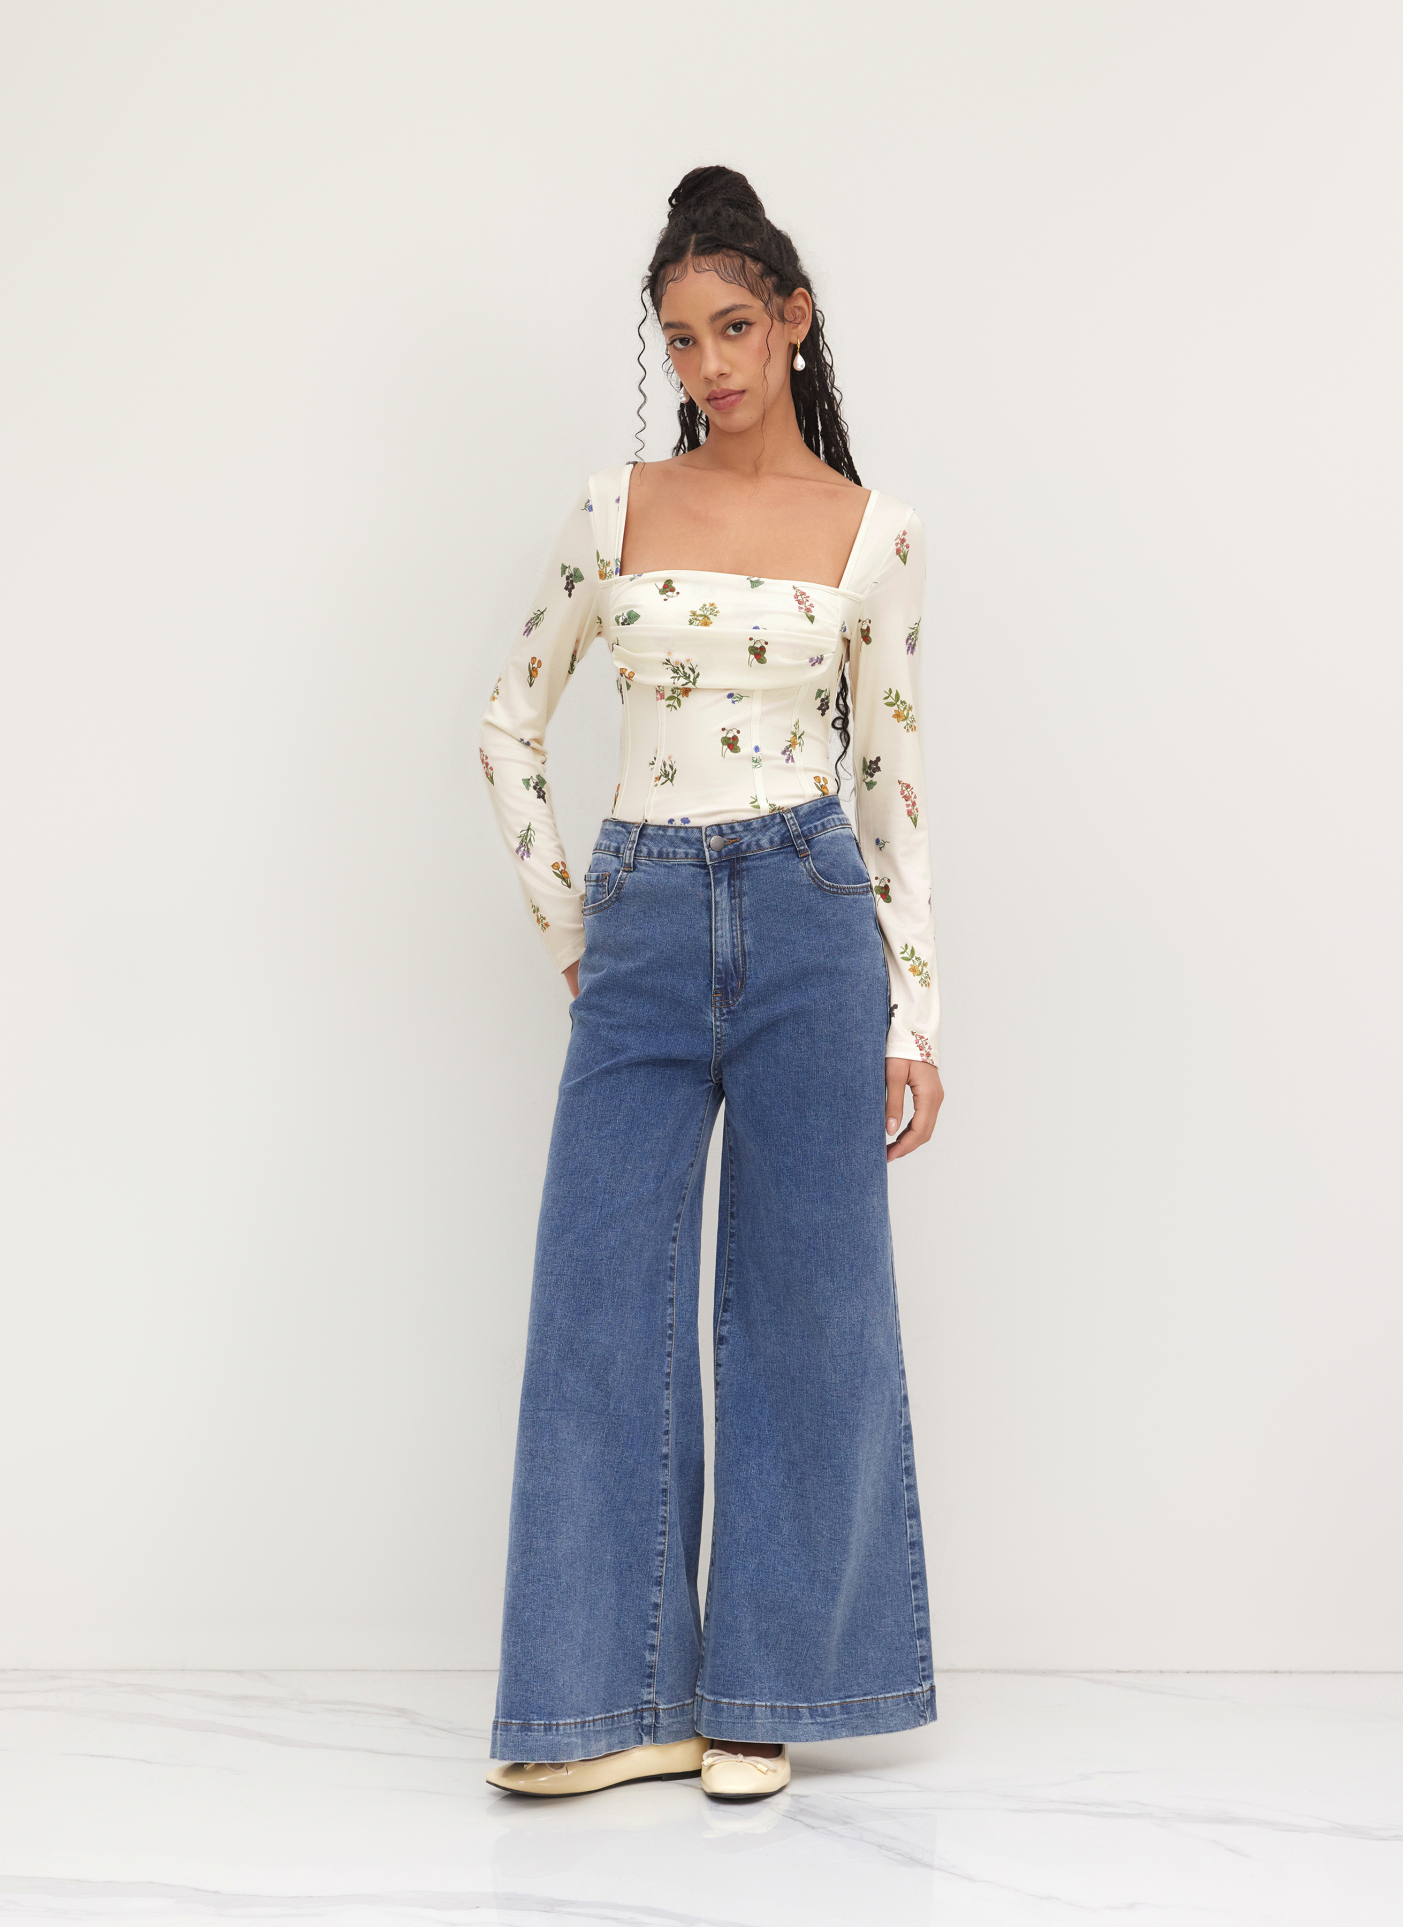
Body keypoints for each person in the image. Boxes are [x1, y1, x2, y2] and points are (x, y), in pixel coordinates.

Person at [480, 166, 943, 1804]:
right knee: (595, 1300)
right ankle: (598, 1706)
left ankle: (764, 1692)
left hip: (812, 917)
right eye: (680, 340)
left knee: (813, 1305)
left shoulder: (873, 535)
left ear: (792, 321)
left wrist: (915, 1011)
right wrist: (577, 932)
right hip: (645, 912)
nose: (709, 366)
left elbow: (889, 785)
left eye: (733, 329)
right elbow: (506, 720)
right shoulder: (612, 508)